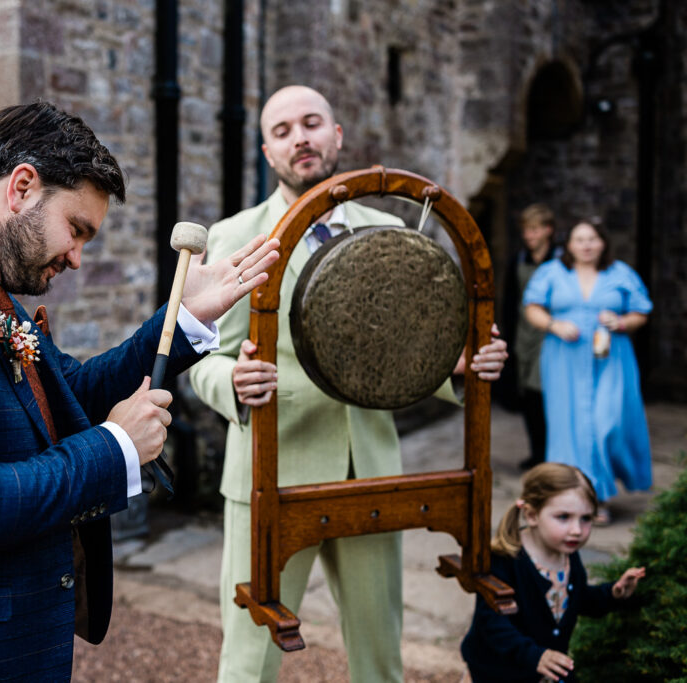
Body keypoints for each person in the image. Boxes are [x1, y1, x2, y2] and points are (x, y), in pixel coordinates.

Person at [0, 101, 279, 681]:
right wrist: (115, 447)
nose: (77, 258)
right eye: (76, 229)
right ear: (21, 187)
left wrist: (184, 317)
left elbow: (71, 392)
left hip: (9, 646)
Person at [188, 85, 510, 683]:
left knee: (380, 657)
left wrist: (459, 370)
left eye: (312, 124)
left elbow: (416, 349)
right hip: (269, 476)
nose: (300, 138)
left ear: (337, 136)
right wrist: (229, 378)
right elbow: (199, 359)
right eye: (283, 131)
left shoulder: (392, 234)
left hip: (372, 473)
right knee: (248, 661)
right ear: (267, 151)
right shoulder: (235, 237)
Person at [460, 463, 645, 682]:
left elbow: (578, 599)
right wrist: (536, 656)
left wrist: (612, 594)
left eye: (586, 518)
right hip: (499, 671)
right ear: (531, 515)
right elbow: (491, 623)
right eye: (563, 517)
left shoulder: (567, 556)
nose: (577, 530)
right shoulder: (505, 559)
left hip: (545, 670)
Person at [523, 219, 652, 525]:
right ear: (569, 245)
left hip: (611, 357)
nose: (586, 245)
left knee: (608, 422)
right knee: (570, 427)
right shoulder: (552, 272)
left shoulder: (620, 273)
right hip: (563, 358)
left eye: (592, 239)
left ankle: (596, 490)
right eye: (579, 239)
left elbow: (641, 311)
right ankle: (591, 498)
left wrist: (621, 323)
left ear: (603, 243)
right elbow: (532, 307)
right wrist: (554, 324)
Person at [502, 204, 562, 470]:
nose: (529, 236)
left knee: (545, 394)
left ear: (548, 231)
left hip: (551, 335)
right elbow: (511, 300)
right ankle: (537, 451)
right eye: (526, 230)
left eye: (534, 230)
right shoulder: (519, 260)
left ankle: (553, 451)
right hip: (523, 336)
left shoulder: (561, 260)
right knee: (528, 396)